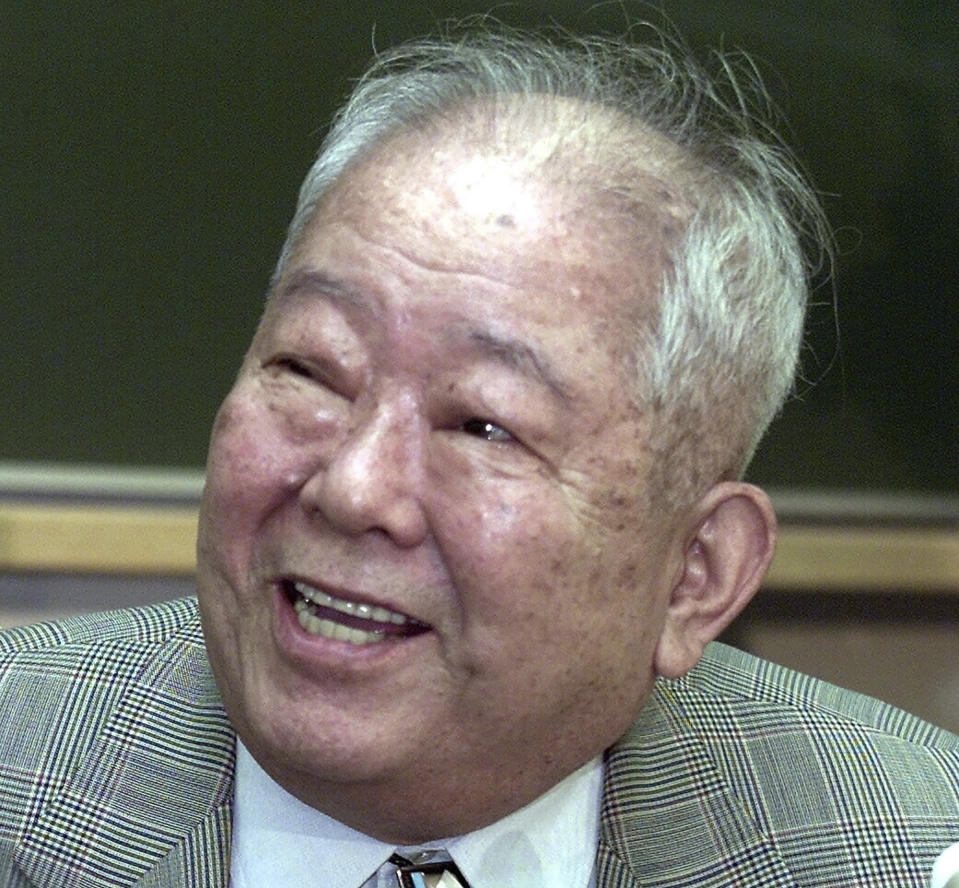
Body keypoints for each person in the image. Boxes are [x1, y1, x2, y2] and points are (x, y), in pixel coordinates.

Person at [1, 21, 957, 888]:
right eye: (309, 369)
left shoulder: (906, 851)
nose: (353, 487)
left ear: (693, 577)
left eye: (483, 426)